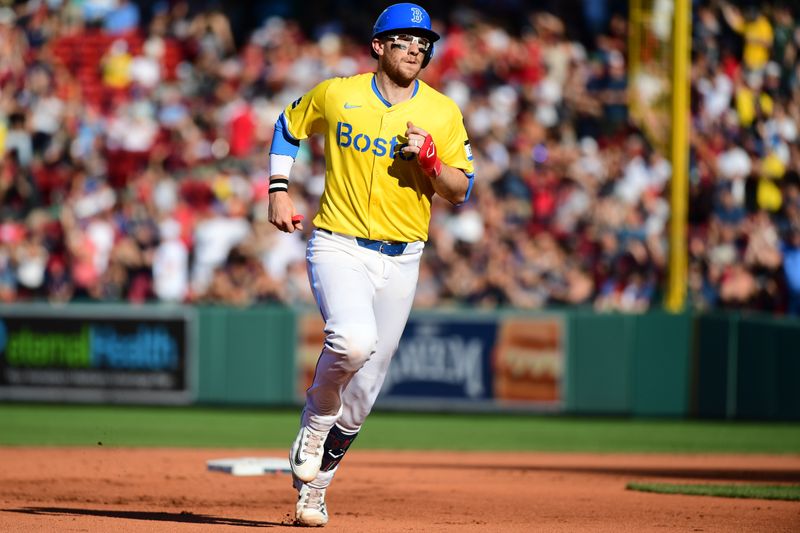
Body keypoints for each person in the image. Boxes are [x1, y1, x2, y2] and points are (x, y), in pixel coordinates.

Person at [266, 3, 475, 527]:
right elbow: (289, 124)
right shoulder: (339, 93)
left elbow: (460, 190)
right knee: (353, 341)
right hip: (338, 242)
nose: (416, 48)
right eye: (404, 38)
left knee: (362, 398)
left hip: (403, 258)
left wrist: (431, 160)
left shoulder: (442, 111)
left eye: (423, 41)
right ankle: (314, 421)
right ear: (379, 46)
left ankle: (314, 492)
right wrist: (277, 189)